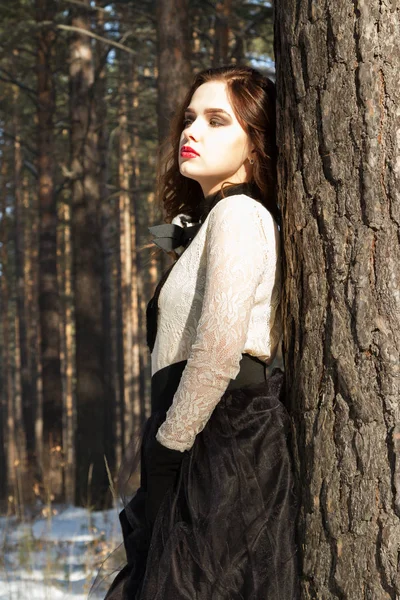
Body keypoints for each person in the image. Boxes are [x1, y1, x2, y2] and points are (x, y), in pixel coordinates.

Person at [94, 64, 300, 599]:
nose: (191, 132)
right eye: (190, 118)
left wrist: (169, 446)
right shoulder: (216, 220)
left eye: (216, 120)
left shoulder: (238, 216)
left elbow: (217, 349)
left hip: (220, 443)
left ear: (255, 144)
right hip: (201, 436)